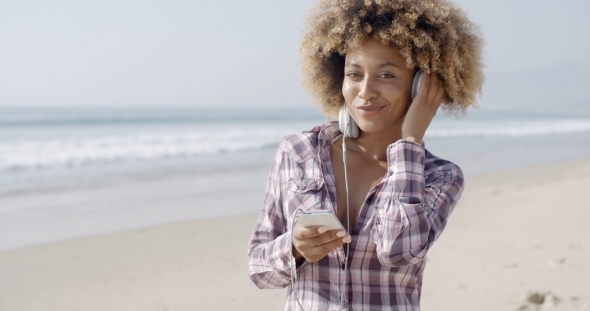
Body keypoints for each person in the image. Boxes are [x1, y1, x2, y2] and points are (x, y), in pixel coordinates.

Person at [248, 0, 484, 310]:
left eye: (386, 76)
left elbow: (398, 250)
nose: (366, 91)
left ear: (421, 85)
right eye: (355, 74)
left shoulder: (440, 177)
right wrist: (293, 247)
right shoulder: (299, 153)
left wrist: (410, 141)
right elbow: (259, 270)